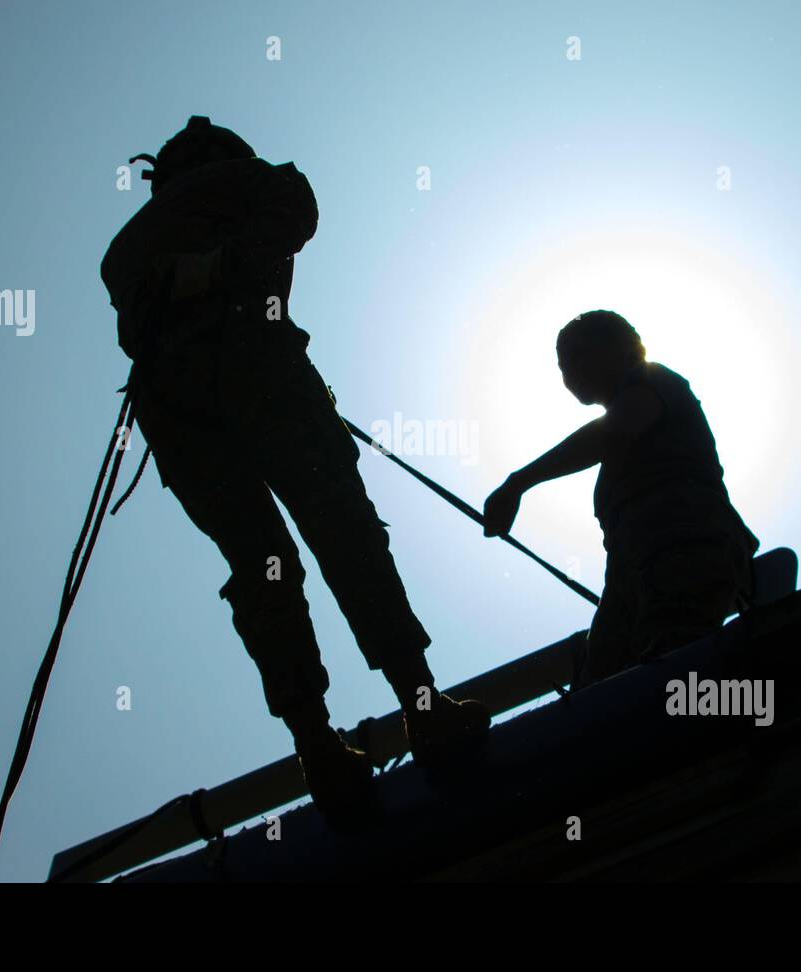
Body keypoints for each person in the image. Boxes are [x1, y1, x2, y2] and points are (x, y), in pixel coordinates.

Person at [100, 116, 489, 819]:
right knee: (342, 529)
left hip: (174, 409)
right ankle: (422, 705)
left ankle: (317, 748)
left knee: (260, 564)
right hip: (262, 373)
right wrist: (229, 264)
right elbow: (294, 212)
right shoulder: (253, 180)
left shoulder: (124, 249)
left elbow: (134, 323)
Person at [483, 310, 759, 687]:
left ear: (622, 348)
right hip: (634, 572)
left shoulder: (656, 381)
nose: (570, 373)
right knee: (602, 691)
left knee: (673, 674)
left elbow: (614, 431)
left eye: (580, 356)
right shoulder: (623, 440)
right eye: (563, 365)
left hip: (685, 549)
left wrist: (519, 482)